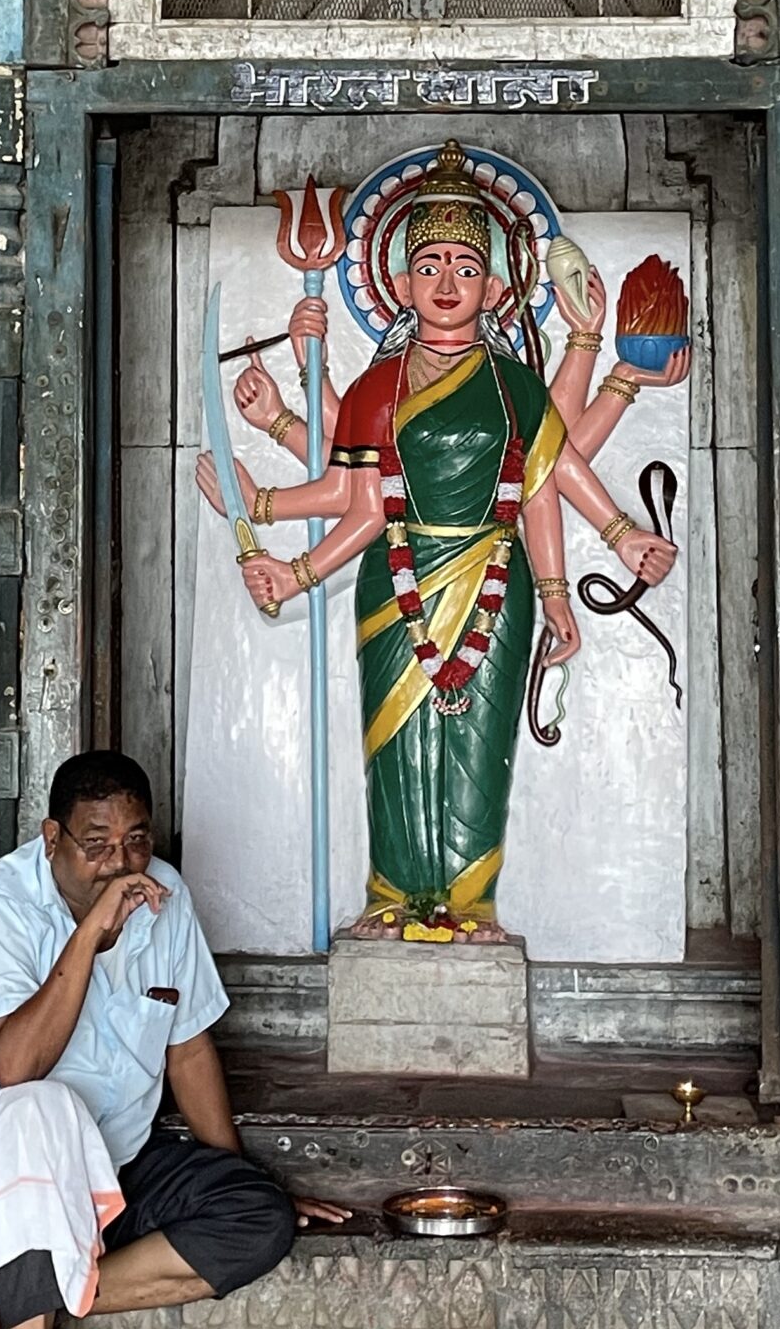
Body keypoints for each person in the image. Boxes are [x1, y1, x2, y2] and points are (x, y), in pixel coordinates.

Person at [198, 141, 678, 941]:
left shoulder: (516, 384)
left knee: (478, 750)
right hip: (397, 587)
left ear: (493, 287)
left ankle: (472, 908)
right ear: (400, 285)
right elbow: (358, 506)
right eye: (430, 266)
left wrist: (609, 548)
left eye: (464, 267)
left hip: (495, 575)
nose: (447, 283)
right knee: (397, 751)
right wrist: (290, 561)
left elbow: (548, 483)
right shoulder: (375, 389)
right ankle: (393, 901)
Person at [0, 750, 346, 1329]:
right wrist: (90, 934)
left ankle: (29, 1291)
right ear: (51, 838)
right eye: (95, 845)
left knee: (259, 1217)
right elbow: (15, 1066)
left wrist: (242, 1177)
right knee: (41, 1107)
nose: (120, 862)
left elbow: (187, 1049)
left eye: (136, 840)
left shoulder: (165, 896)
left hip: (104, 1165)